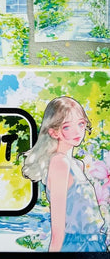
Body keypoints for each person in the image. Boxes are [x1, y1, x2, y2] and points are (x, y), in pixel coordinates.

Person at [22, 96, 107, 252]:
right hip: (76, 247)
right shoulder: (59, 163)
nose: (77, 131)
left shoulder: (77, 164)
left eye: (81, 124)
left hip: (95, 245)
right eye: (67, 127)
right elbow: (58, 230)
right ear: (54, 132)